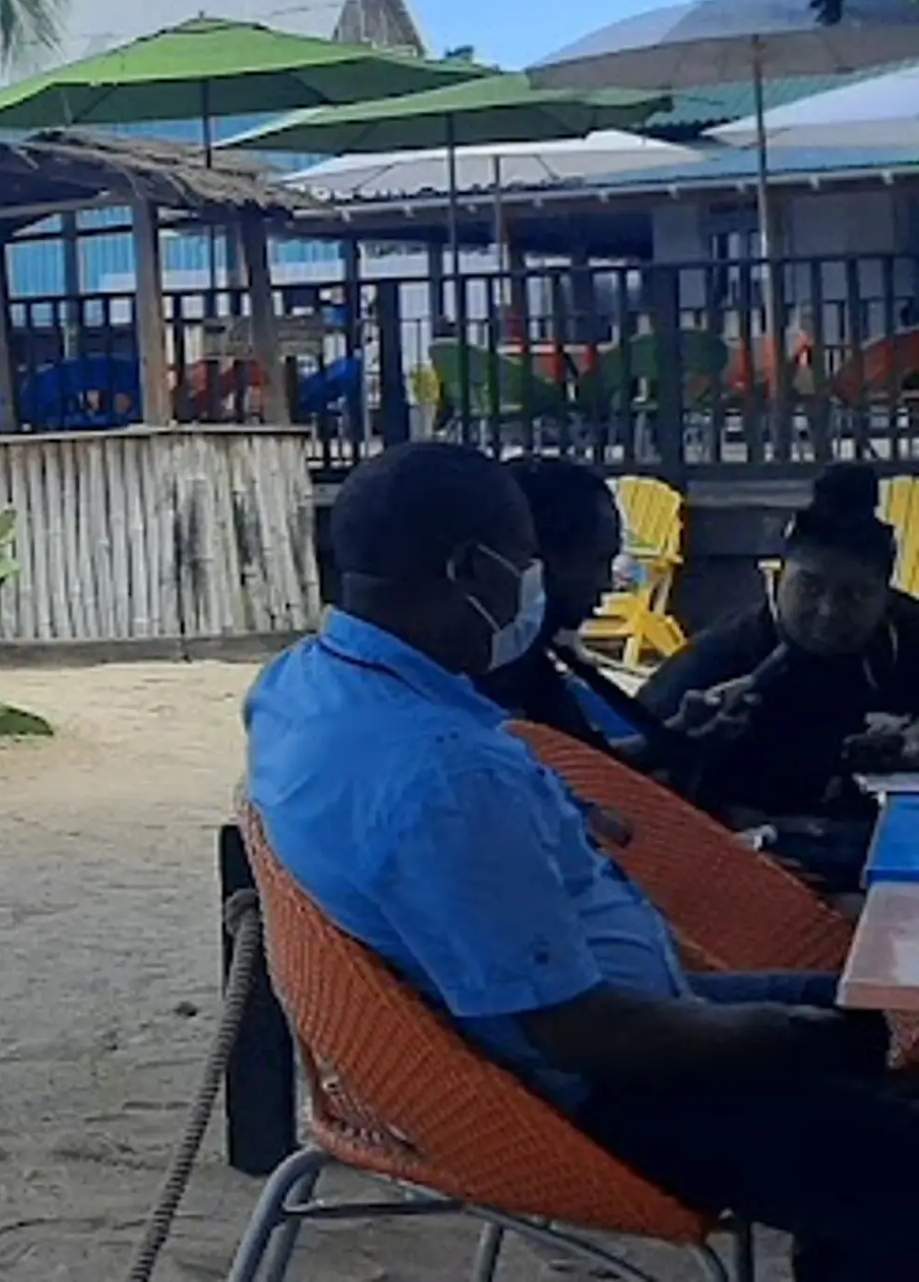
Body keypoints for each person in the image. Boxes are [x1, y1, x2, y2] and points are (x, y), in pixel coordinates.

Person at [247, 441, 914, 1276]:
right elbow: (582, 1032)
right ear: (472, 569)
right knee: (884, 1112)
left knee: (880, 1030)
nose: (554, 583)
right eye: (530, 560)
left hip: (589, 1023)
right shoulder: (444, 772)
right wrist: (781, 1035)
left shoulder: (306, 683)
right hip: (598, 1091)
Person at [642, 463, 919, 893]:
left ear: (887, 596)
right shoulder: (720, 663)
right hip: (757, 874)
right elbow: (637, 790)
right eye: (810, 588)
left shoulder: (907, 636)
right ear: (775, 579)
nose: (828, 611)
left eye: (855, 596)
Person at [472, 455, 670, 758]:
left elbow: (587, 768)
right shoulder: (498, 678)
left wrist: (672, 740)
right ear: (538, 557)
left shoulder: (530, 664)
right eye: (596, 562)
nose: (607, 583)